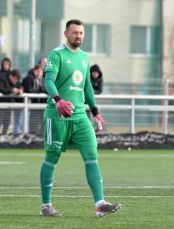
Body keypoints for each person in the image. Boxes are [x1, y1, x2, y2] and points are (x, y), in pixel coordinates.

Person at [39, 19, 121, 217]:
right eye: (75, 32)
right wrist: (58, 100)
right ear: (66, 34)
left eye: (81, 33)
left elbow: (87, 87)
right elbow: (48, 80)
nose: (79, 36)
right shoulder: (56, 54)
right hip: (57, 115)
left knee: (92, 155)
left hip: (79, 116)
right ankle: (46, 206)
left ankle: (100, 204)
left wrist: (95, 112)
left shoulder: (84, 58)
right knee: (52, 158)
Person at [22, 64, 47, 134]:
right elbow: (29, 90)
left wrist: (41, 91)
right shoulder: (30, 79)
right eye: (37, 71)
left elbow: (47, 90)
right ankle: (32, 135)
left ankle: (41, 136)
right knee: (33, 121)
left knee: (43, 121)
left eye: (41, 72)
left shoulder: (45, 81)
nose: (39, 73)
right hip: (33, 105)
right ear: (34, 71)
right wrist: (40, 91)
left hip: (43, 106)